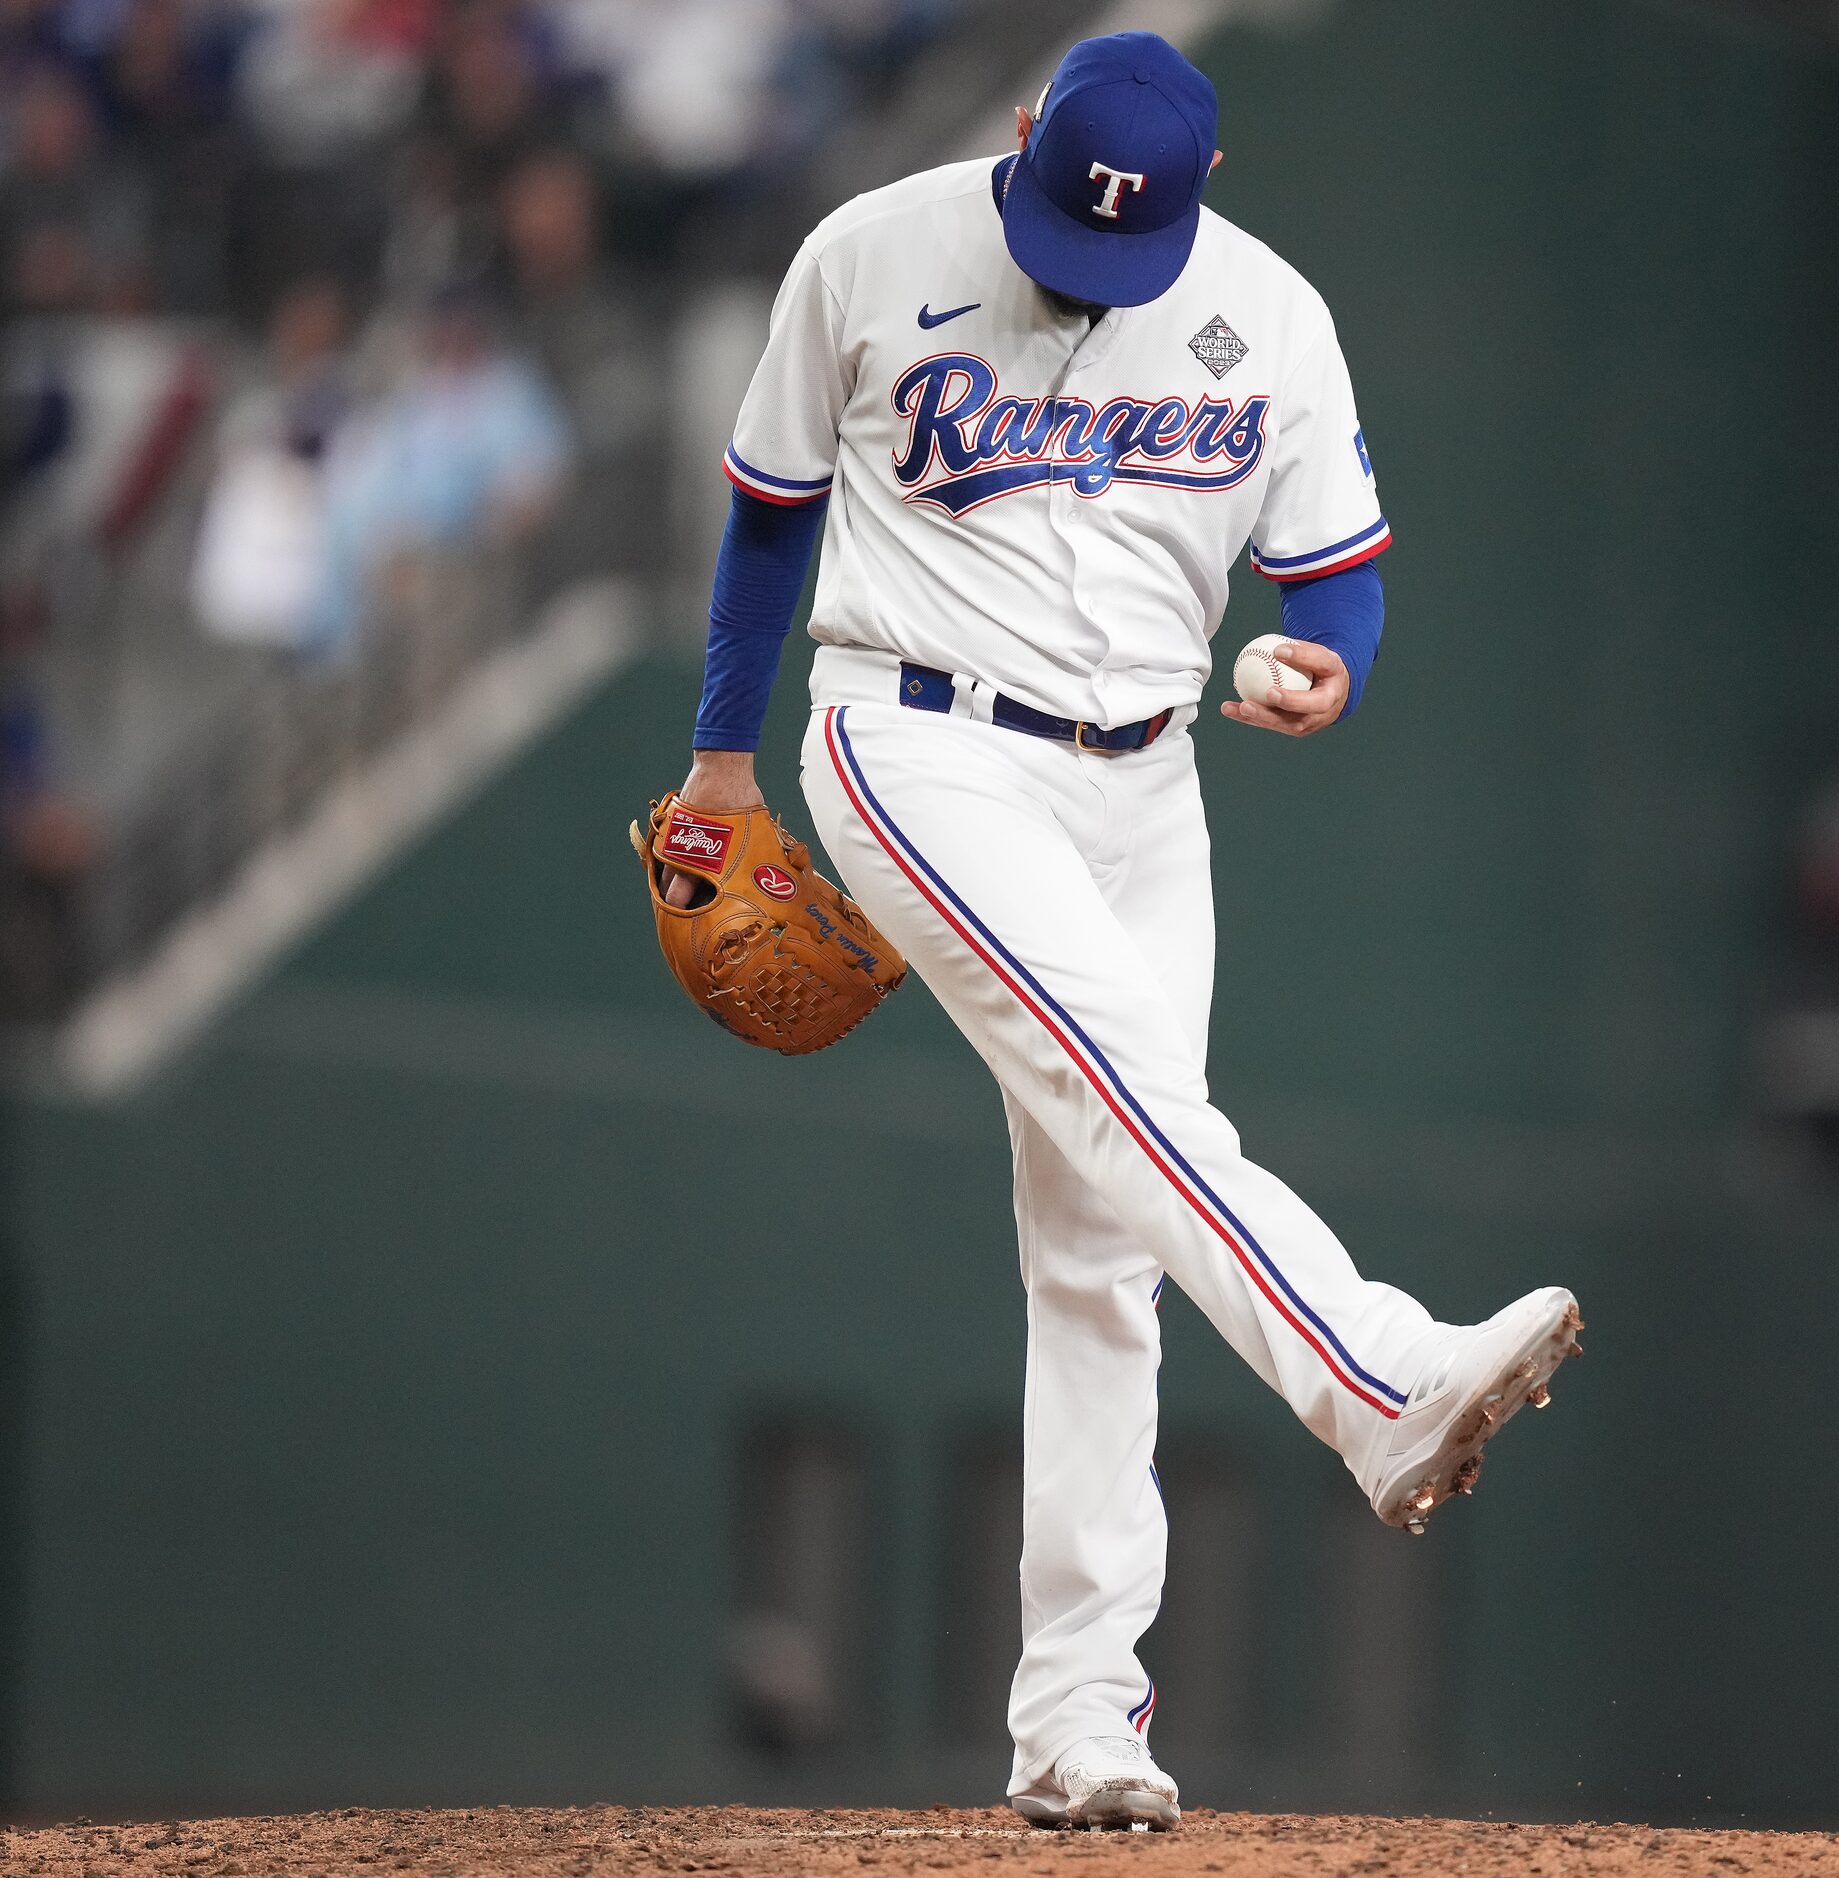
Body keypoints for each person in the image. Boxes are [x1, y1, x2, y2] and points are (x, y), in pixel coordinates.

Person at [660, 31, 1581, 1831]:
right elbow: (768, 522)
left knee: (1106, 1241)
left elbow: (1338, 578)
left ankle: (1078, 1711)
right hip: (910, 741)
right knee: (1137, 1100)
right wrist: (721, 761)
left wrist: (1331, 667)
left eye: (1124, 242)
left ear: (1200, 193)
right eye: (1059, 221)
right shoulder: (867, 251)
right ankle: (1375, 1370)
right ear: (1018, 139)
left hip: (1148, 781)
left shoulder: (1270, 315)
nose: (1084, 262)